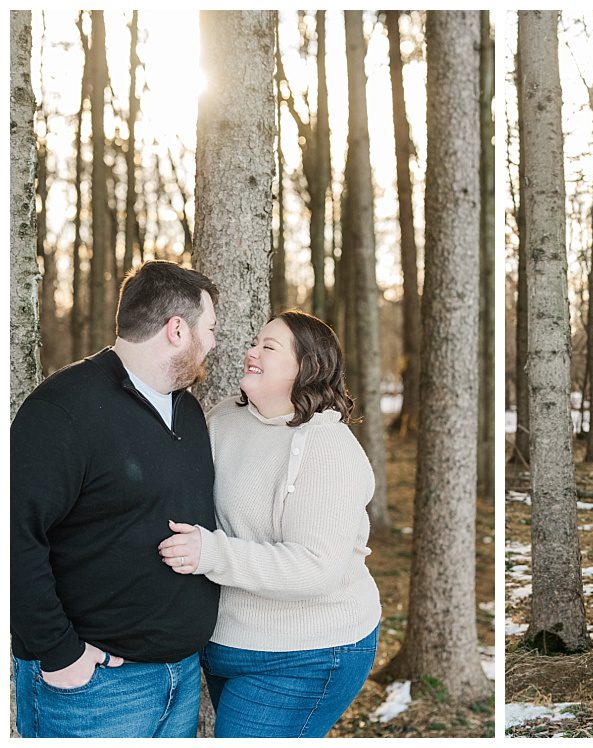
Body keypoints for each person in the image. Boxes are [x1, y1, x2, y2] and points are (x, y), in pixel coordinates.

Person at [11, 261, 220, 738]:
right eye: (208, 330)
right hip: (95, 689)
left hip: (182, 678)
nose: (212, 343)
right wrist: (60, 654)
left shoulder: (186, 410)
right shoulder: (62, 410)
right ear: (176, 329)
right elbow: (14, 536)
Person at [157, 310, 382, 738]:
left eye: (269, 347)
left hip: (309, 651)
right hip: (227, 641)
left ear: (307, 368)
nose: (251, 352)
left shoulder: (328, 449)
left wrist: (211, 553)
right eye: (255, 342)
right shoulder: (224, 419)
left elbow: (317, 567)